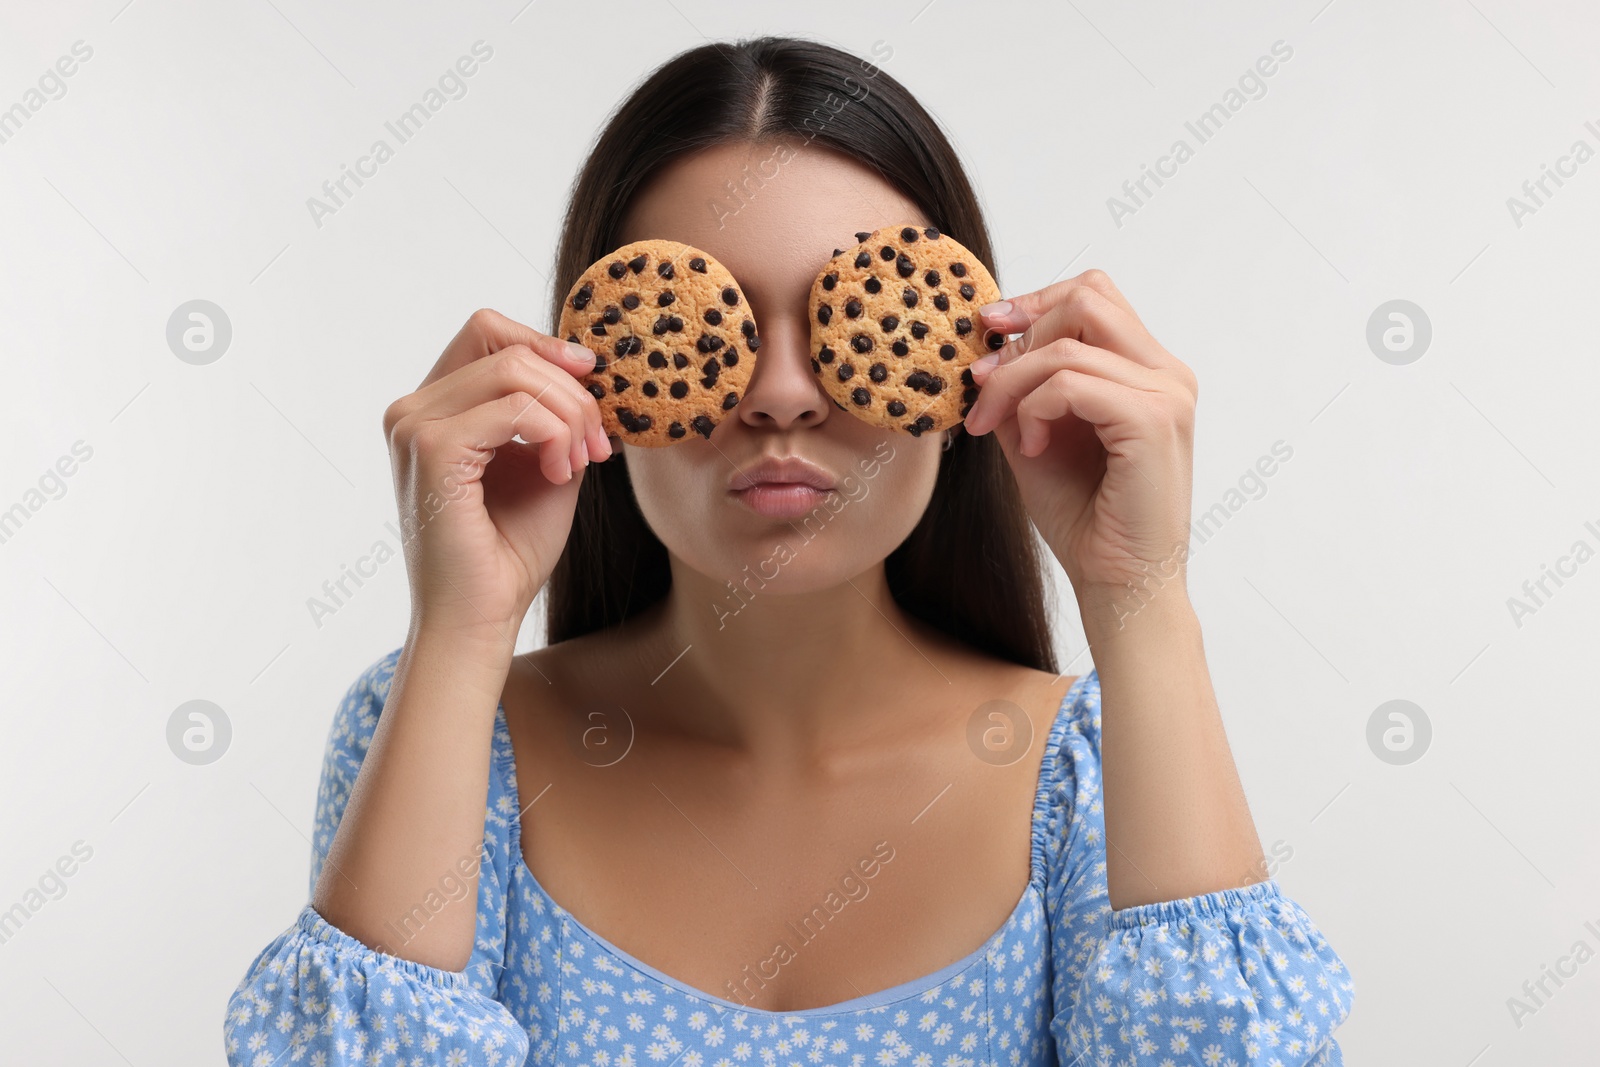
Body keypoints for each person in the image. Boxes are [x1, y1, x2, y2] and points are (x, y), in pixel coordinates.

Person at [223, 35, 1353, 1066]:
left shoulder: (1094, 770)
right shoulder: (448, 735)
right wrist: (459, 633)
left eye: (842, 321)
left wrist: (1140, 601)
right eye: (697, 327)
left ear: (965, 357)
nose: (776, 395)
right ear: (587, 365)